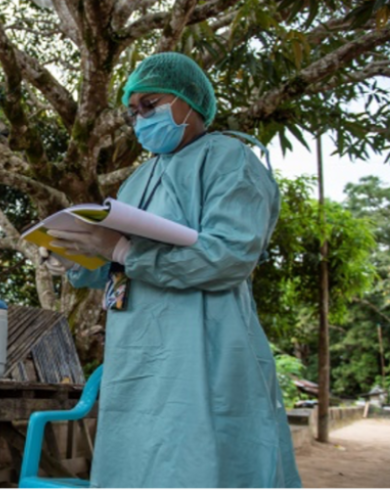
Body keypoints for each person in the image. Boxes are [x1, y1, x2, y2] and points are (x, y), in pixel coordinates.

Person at [38, 51, 301, 489]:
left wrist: (123, 249)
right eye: (134, 111)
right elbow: (115, 267)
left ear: (190, 102)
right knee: (137, 462)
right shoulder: (137, 181)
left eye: (151, 104)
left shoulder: (229, 160)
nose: (141, 117)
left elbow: (228, 257)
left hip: (204, 345)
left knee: (203, 461)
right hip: (137, 350)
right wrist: (76, 257)